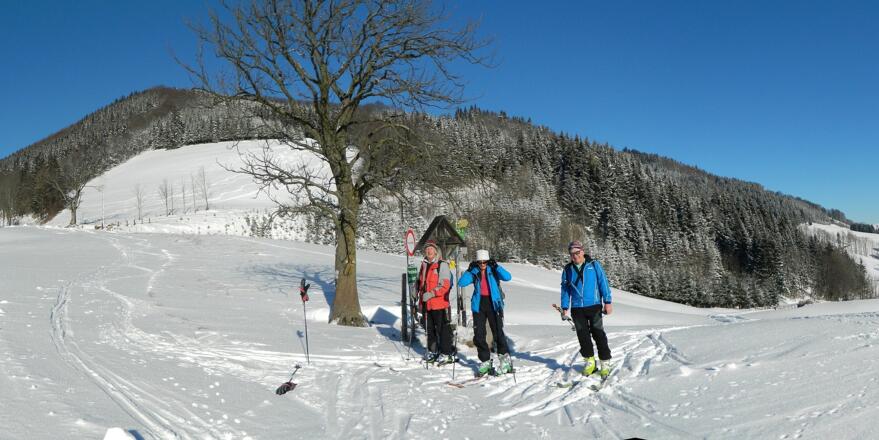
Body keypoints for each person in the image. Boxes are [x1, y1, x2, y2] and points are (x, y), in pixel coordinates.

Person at [559, 240, 613, 378]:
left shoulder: (594, 265)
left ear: (582, 251)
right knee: (583, 336)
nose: (575, 256)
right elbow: (565, 290)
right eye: (572, 254)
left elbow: (603, 283)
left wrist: (607, 301)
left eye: (577, 253)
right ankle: (590, 362)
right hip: (577, 308)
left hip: (594, 305)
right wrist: (565, 307)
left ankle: (605, 362)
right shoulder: (567, 269)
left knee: (598, 334)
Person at [458, 249, 513, 376]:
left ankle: (504, 361)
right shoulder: (475, 272)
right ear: (477, 262)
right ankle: (485, 361)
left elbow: (508, 277)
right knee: (479, 335)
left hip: (494, 304)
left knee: (498, 333)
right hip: (479, 305)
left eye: (485, 262)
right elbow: (461, 282)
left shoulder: (493, 270)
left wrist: (497, 266)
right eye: (480, 262)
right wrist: (469, 270)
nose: (482, 264)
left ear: (488, 261)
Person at [416, 240, 455, 364]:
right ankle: (433, 352)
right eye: (427, 249)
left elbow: (445, 285)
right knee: (430, 330)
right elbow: (421, 282)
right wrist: (416, 291)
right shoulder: (424, 265)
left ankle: (446, 353)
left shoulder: (442, 265)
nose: (428, 251)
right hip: (427, 304)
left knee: (442, 330)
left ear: (436, 250)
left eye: (431, 248)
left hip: (439, 303)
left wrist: (431, 294)